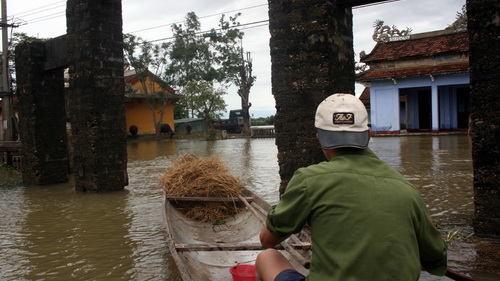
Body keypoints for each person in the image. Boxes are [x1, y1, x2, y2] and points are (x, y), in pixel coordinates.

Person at [255, 93, 447, 281]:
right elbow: (436, 256)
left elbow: (267, 240)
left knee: (267, 257)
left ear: (319, 137)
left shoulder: (309, 180)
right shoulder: (406, 188)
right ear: (369, 134)